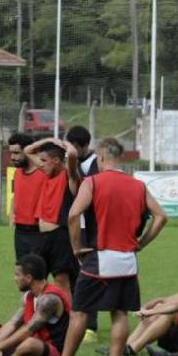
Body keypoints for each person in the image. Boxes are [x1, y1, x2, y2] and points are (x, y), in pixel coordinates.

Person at [34, 137, 168, 356]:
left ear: (102, 157)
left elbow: (74, 215)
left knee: (79, 314)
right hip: (127, 260)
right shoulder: (138, 186)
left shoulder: (93, 182)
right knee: (119, 315)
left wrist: (76, 247)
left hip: (99, 257)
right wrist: (141, 244)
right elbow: (161, 217)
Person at [22, 136, 82, 294]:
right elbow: (27, 151)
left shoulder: (68, 177)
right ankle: (39, 313)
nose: (41, 164)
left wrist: (64, 144)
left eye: (44, 160)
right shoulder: (47, 173)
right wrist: (47, 140)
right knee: (31, 278)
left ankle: (67, 317)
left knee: (61, 281)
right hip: (41, 236)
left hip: (59, 236)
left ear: (56, 160)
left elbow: (73, 154)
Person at [65, 125, 100, 344]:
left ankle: (91, 327)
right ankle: (79, 320)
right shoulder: (75, 162)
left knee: (90, 276)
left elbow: (87, 190)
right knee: (77, 273)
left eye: (73, 148)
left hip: (94, 227)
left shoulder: (97, 165)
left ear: (83, 146)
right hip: (80, 225)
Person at [8, 132, 47, 260]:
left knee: (36, 274)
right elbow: (16, 194)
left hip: (38, 232)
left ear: (29, 151)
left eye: (17, 153)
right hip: (19, 231)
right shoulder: (17, 173)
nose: (12, 157)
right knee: (22, 273)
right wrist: (12, 213)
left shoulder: (44, 174)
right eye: (11, 153)